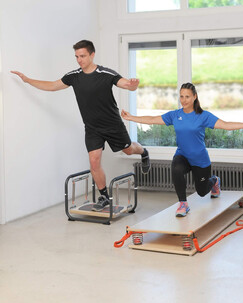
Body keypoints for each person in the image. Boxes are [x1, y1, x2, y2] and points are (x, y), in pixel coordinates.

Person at [11, 40, 150, 211]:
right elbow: (53, 86)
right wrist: (27, 80)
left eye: (83, 56)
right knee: (94, 161)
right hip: (92, 128)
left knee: (128, 150)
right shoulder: (74, 76)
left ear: (92, 55)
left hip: (113, 125)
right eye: (77, 56)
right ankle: (105, 197)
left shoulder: (105, 73)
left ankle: (144, 152)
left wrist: (133, 86)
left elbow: (125, 84)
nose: (79, 60)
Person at [121, 82, 243, 217]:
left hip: (200, 159)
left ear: (194, 96)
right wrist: (131, 117)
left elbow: (225, 124)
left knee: (201, 192)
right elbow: (152, 119)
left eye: (187, 96)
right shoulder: (175, 115)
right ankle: (183, 203)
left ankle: (214, 181)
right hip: (182, 155)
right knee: (176, 168)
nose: (184, 100)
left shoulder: (203, 116)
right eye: (181, 96)